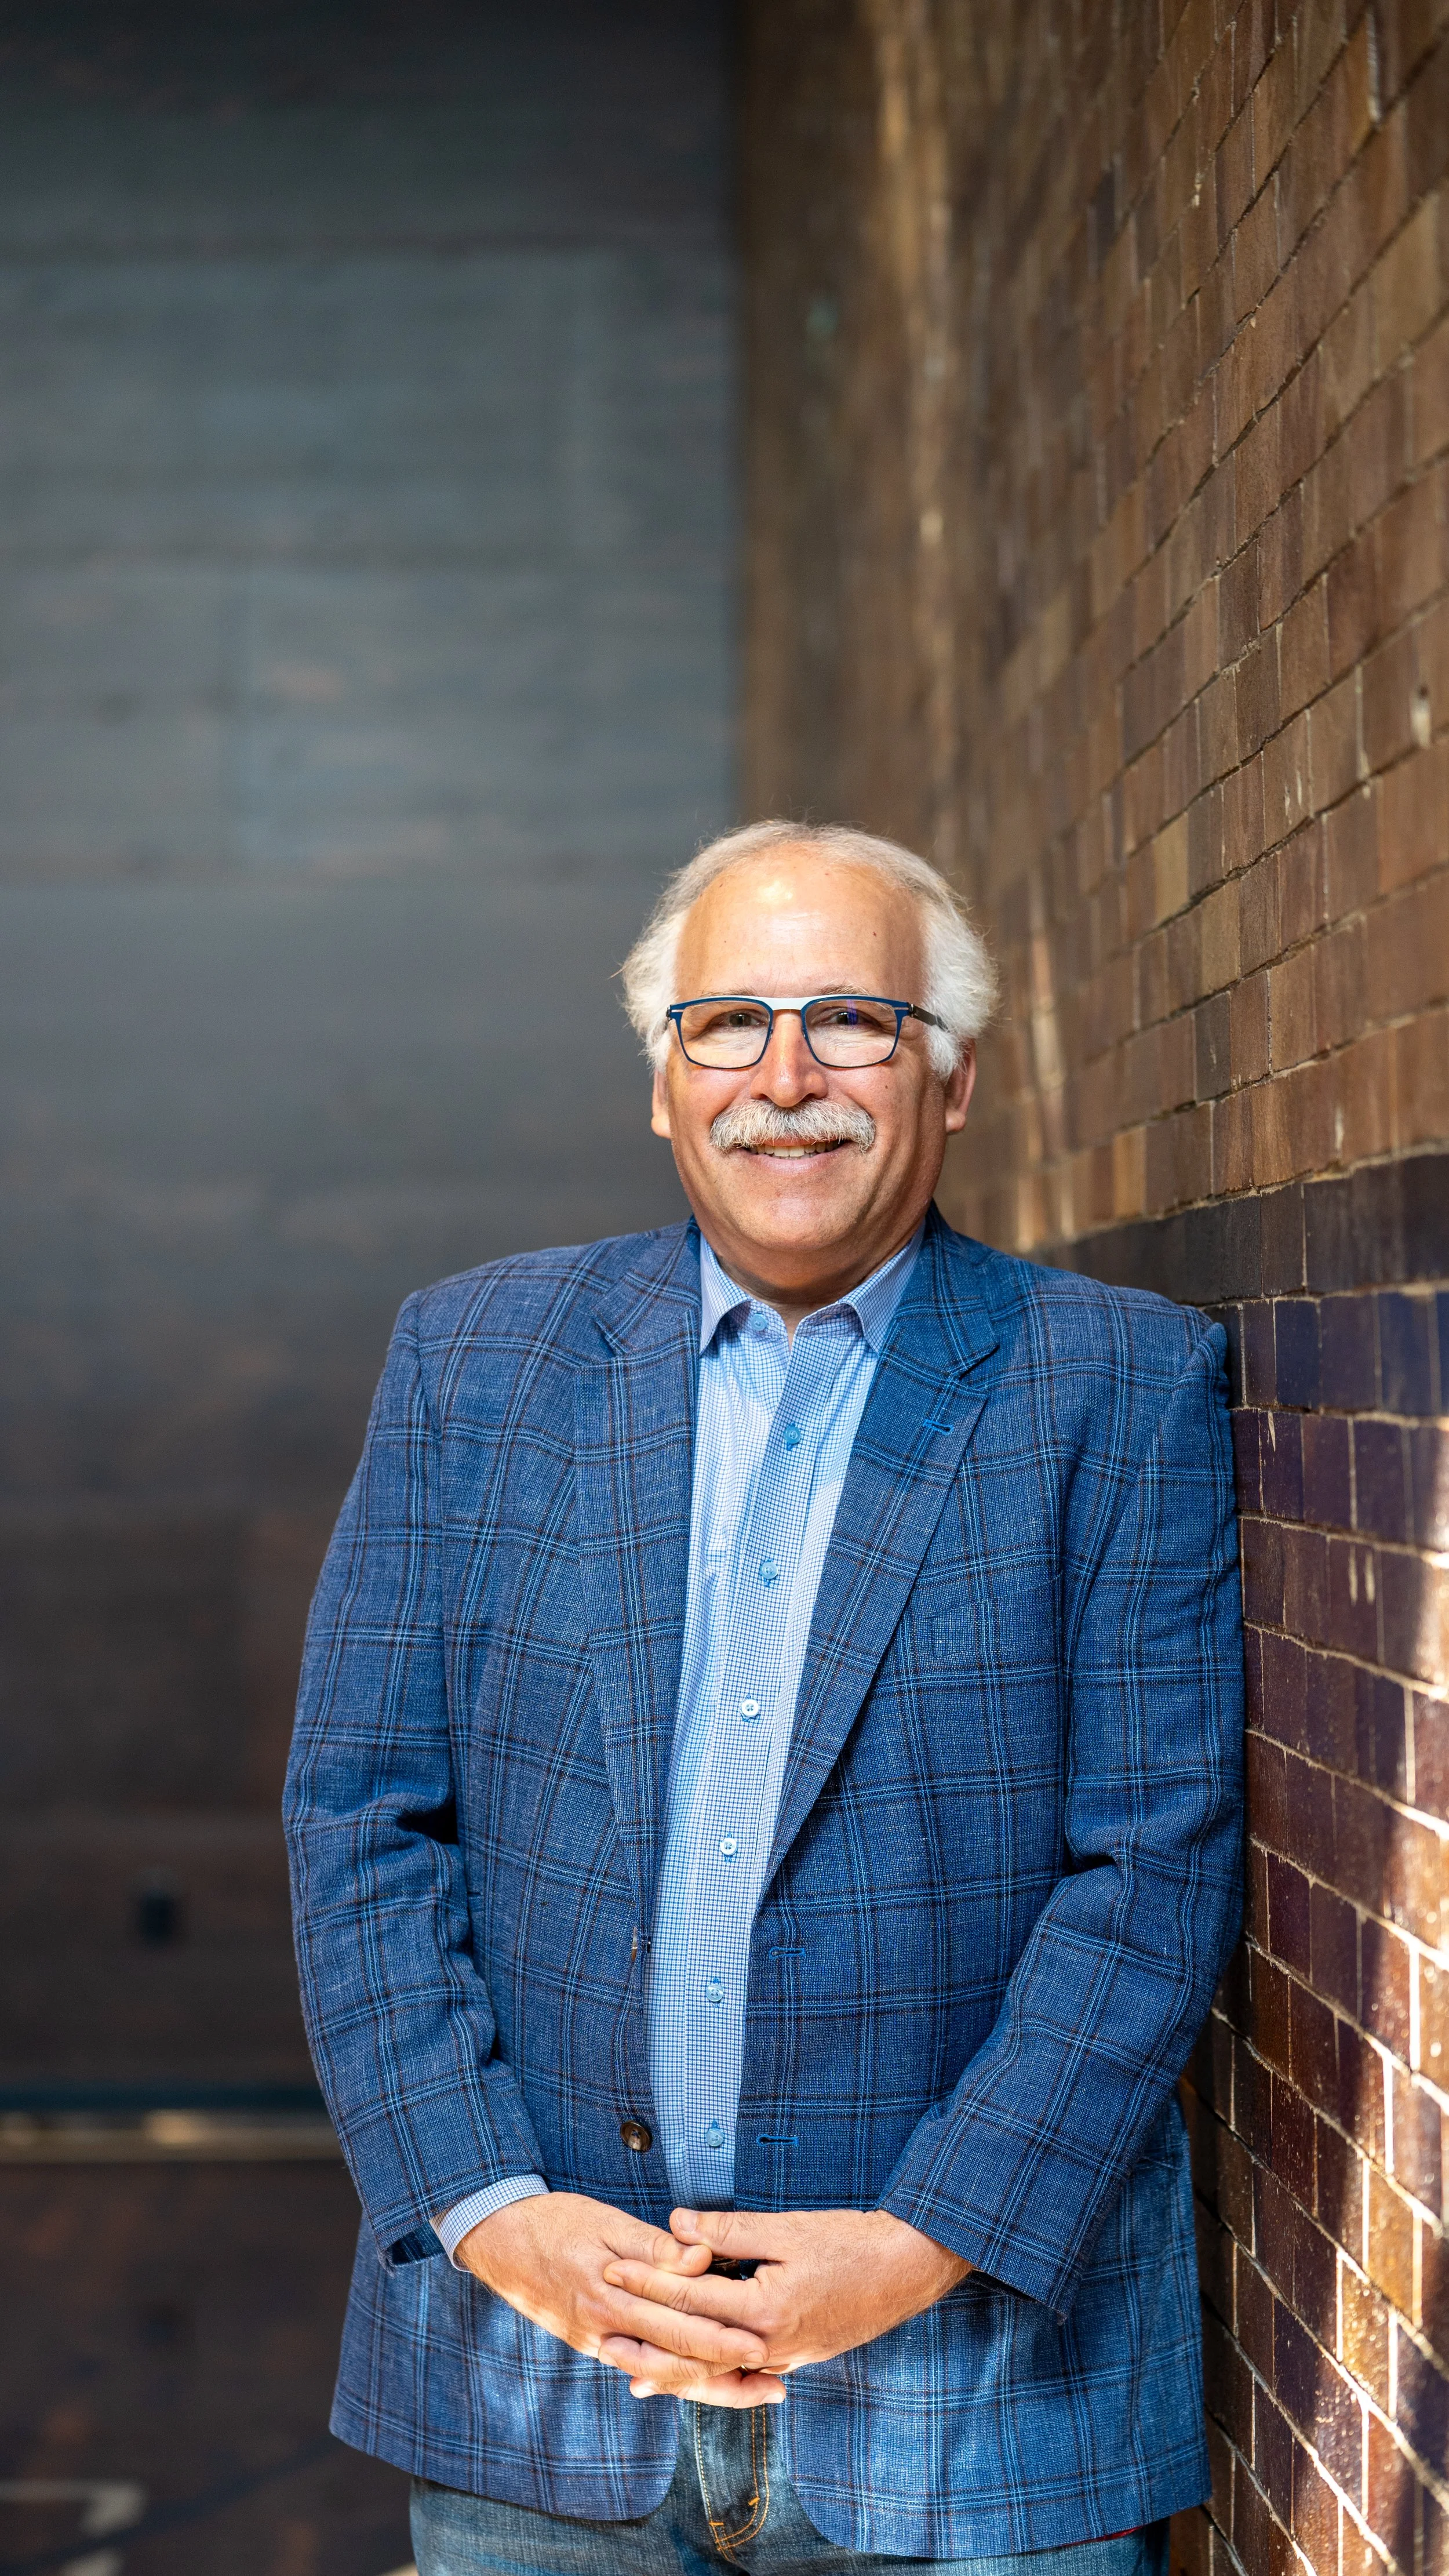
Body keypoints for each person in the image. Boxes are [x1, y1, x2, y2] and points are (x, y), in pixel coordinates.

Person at [283, 822, 1243, 2576]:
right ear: (664, 1083)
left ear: (948, 1079)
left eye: (851, 1021)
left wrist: (919, 2242)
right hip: (544, 2383)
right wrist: (489, 2212)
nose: (782, 1079)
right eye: (725, 1023)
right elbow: (362, 1816)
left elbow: (1151, 1868)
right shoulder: (472, 1359)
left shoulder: (1116, 1383)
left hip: (970, 2402)